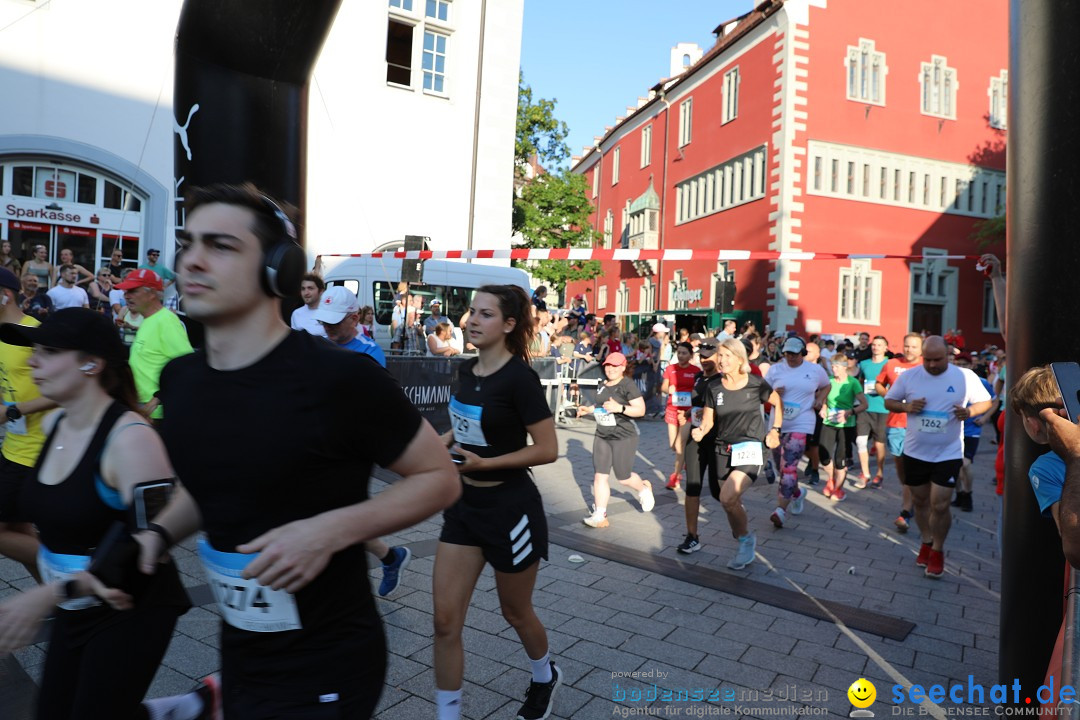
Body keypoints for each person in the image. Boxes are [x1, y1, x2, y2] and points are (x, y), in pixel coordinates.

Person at [141, 183, 460, 719]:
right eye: (187, 242)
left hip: (328, 663)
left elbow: (439, 478)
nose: (191, 261)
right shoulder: (181, 381)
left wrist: (327, 531)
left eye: (220, 246)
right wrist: (155, 537)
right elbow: (211, 485)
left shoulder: (340, 378)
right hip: (241, 652)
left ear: (278, 270)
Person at [0, 307, 192, 719]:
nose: (33, 360)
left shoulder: (131, 439)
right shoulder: (55, 426)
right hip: (74, 603)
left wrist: (50, 594)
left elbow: (150, 543)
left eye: (48, 351)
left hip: (129, 607)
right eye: (33, 350)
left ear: (92, 363)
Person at [434, 284, 560, 720]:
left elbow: (547, 449)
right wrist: (441, 444)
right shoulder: (466, 371)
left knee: (515, 611)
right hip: (465, 509)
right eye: (471, 311)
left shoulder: (520, 378)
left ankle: (544, 675)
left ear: (509, 325)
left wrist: (485, 465)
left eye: (485, 314)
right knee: (445, 621)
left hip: (512, 511)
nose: (471, 320)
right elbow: (462, 426)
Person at [311, 286, 408, 597]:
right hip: (319, 443)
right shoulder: (317, 346)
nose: (327, 328)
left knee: (336, 514)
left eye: (334, 323)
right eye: (323, 322)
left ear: (354, 318)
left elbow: (373, 406)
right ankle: (390, 558)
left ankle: (335, 582)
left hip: (350, 448)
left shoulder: (369, 353)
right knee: (334, 513)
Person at [883, 336, 992, 578]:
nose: (932, 365)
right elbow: (889, 400)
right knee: (921, 502)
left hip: (948, 453)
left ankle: (938, 550)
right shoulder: (910, 376)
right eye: (928, 360)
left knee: (940, 504)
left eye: (937, 360)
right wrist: (906, 407)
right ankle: (926, 541)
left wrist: (970, 411)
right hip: (915, 452)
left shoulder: (964, 377)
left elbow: (986, 401)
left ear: (948, 355)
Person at [691, 338, 782, 569]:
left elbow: (776, 401)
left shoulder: (755, 383)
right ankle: (741, 530)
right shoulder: (714, 387)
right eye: (720, 356)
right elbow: (709, 421)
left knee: (727, 498)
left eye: (727, 356)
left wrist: (775, 430)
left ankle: (745, 541)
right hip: (723, 449)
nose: (722, 360)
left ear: (740, 359)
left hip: (751, 448)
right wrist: (700, 432)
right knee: (730, 502)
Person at [0, 268, 58, 582]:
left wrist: (11, 411)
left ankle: (73, 571)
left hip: (33, 451)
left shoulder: (34, 332)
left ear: (4, 294)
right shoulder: (1, 334)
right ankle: (55, 596)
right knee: (18, 529)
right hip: (11, 447)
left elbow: (61, 391)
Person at [578, 352, 653, 528]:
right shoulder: (603, 384)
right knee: (600, 476)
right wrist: (588, 410)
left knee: (623, 477)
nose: (611, 369)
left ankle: (643, 488)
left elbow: (640, 410)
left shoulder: (627, 385)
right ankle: (600, 515)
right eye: (608, 365)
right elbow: (600, 406)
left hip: (624, 436)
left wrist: (619, 408)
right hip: (603, 435)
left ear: (623, 367)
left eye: (615, 366)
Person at [764, 336, 828, 528]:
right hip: (778, 424)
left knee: (789, 467)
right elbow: (762, 392)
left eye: (794, 353)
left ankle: (780, 510)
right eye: (787, 353)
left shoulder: (815, 370)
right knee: (780, 466)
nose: (790, 357)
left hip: (802, 422)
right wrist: (773, 394)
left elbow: (827, 385)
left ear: (803, 353)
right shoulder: (775, 369)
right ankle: (798, 494)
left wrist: (820, 399)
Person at [114, 268, 193, 423]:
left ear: (151, 293)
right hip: (141, 408)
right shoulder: (149, 320)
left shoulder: (166, 321)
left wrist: (156, 400)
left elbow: (187, 367)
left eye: (132, 291)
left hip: (156, 414)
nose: (126, 296)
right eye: (125, 291)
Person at [678, 337, 724, 553]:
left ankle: (738, 520)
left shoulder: (724, 380)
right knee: (692, 487)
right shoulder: (698, 377)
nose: (704, 360)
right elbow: (698, 405)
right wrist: (686, 413)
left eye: (709, 356)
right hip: (696, 439)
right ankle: (692, 536)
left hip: (717, 440)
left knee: (719, 492)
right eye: (702, 356)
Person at [876, 333, 924, 532]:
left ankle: (906, 511)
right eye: (907, 346)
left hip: (919, 425)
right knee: (901, 464)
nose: (909, 350)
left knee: (914, 467)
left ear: (921, 349)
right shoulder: (892, 363)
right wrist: (890, 396)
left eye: (914, 347)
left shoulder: (927, 366)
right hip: (896, 422)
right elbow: (879, 383)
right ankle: (910, 499)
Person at [818, 352, 866, 502]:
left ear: (844, 368)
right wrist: (824, 407)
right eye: (832, 366)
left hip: (846, 425)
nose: (834, 369)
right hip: (829, 422)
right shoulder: (829, 381)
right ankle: (831, 479)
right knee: (824, 456)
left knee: (840, 459)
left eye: (837, 367)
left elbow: (865, 404)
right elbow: (822, 398)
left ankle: (839, 489)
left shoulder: (852, 383)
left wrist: (849, 412)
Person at [952, 353, 997, 512]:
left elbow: (994, 400)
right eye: (958, 364)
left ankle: (968, 494)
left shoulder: (981, 382)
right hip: (954, 429)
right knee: (954, 465)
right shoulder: (949, 380)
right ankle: (958, 494)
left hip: (972, 430)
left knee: (965, 463)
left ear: (971, 366)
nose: (961, 367)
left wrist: (985, 418)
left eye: (965, 364)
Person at [855, 336, 891, 488]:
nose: (876, 347)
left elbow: (895, 383)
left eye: (879, 345)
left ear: (885, 348)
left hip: (882, 408)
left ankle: (880, 474)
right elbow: (860, 383)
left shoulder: (889, 364)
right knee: (860, 441)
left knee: (879, 443)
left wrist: (886, 390)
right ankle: (865, 474)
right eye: (874, 345)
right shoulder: (864, 364)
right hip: (865, 408)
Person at [661, 341, 698, 490]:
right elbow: (663, 387)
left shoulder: (696, 371)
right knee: (673, 446)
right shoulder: (670, 369)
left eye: (684, 353)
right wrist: (668, 389)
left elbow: (699, 390)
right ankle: (686, 460)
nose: (681, 356)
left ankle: (675, 477)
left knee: (679, 444)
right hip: (672, 409)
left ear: (690, 355)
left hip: (688, 412)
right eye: (679, 353)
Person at [289, 272, 327, 337]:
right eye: (303, 289)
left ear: (321, 291)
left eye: (310, 288)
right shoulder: (296, 314)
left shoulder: (329, 313)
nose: (306, 293)